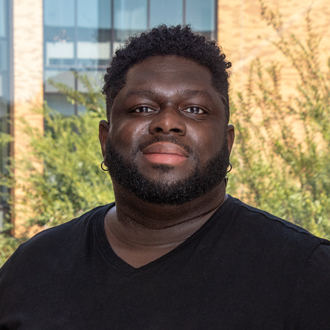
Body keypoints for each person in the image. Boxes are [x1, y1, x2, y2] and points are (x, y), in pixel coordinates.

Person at [0, 25, 330, 330]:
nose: (167, 122)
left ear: (228, 143)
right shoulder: (32, 269)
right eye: (142, 108)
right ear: (105, 138)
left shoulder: (306, 274)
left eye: (195, 109)